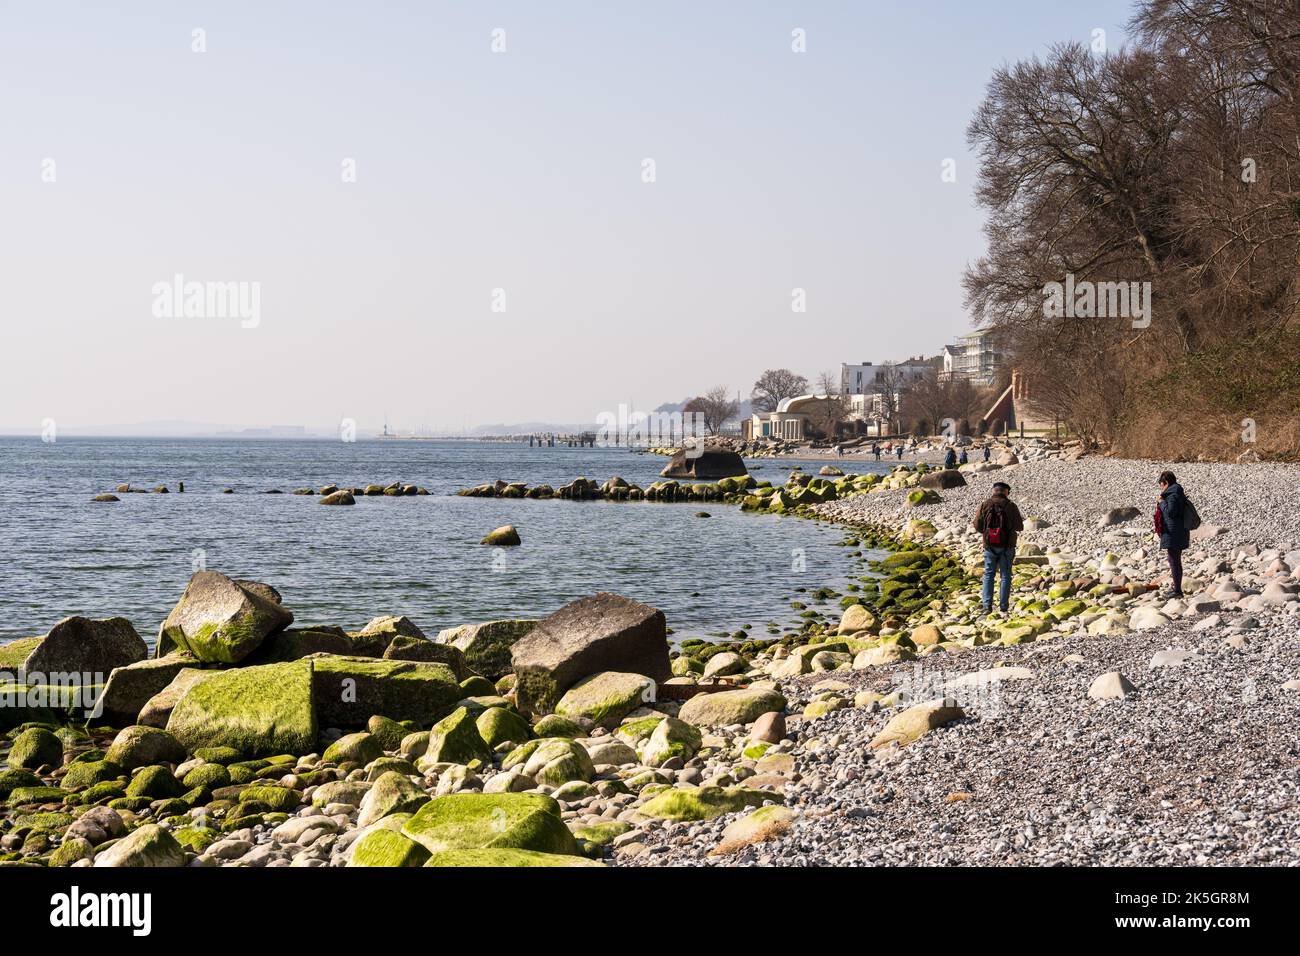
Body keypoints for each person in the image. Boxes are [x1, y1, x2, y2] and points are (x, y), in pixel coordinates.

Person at [973, 480, 1024, 613]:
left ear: (994, 491)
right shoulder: (1011, 505)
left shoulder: (985, 504)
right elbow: (1020, 526)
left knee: (989, 574)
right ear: (1006, 492)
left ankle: (987, 606)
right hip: (1007, 546)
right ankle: (1003, 607)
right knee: (1005, 576)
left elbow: (977, 525)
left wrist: (988, 533)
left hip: (990, 545)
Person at [1155, 470, 1190, 597]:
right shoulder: (1177, 492)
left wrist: (1161, 502)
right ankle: (1176, 588)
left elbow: (1170, 512)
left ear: (1166, 483)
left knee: (1174, 560)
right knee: (1174, 559)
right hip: (1178, 530)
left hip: (1173, 532)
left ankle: (1177, 591)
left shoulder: (1173, 494)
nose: (1161, 488)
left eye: (1161, 485)